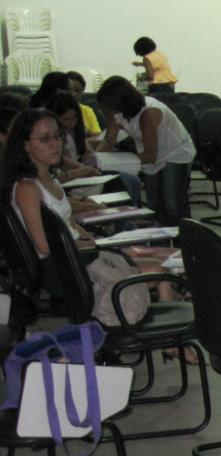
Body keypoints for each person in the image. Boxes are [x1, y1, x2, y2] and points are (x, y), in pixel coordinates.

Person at [0, 109, 171, 319]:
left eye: (57, 137)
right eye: (45, 139)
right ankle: (169, 335)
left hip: (76, 257)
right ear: (25, 144)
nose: (55, 144)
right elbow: (45, 246)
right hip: (63, 268)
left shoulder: (50, 181)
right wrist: (92, 245)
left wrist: (94, 240)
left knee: (160, 266)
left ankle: (170, 335)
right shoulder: (27, 188)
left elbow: (67, 222)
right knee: (159, 270)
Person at [95, 76, 195, 226]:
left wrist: (120, 161)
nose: (109, 111)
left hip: (175, 152)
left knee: (172, 203)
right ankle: (161, 233)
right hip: (150, 153)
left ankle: (183, 234)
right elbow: (109, 141)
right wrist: (96, 159)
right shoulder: (115, 111)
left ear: (122, 102)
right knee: (153, 203)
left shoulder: (148, 112)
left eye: (111, 106)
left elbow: (150, 155)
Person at [66, 71, 102, 139]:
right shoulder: (55, 110)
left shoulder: (87, 111)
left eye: (78, 90)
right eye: (71, 90)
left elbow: (98, 136)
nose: (74, 94)